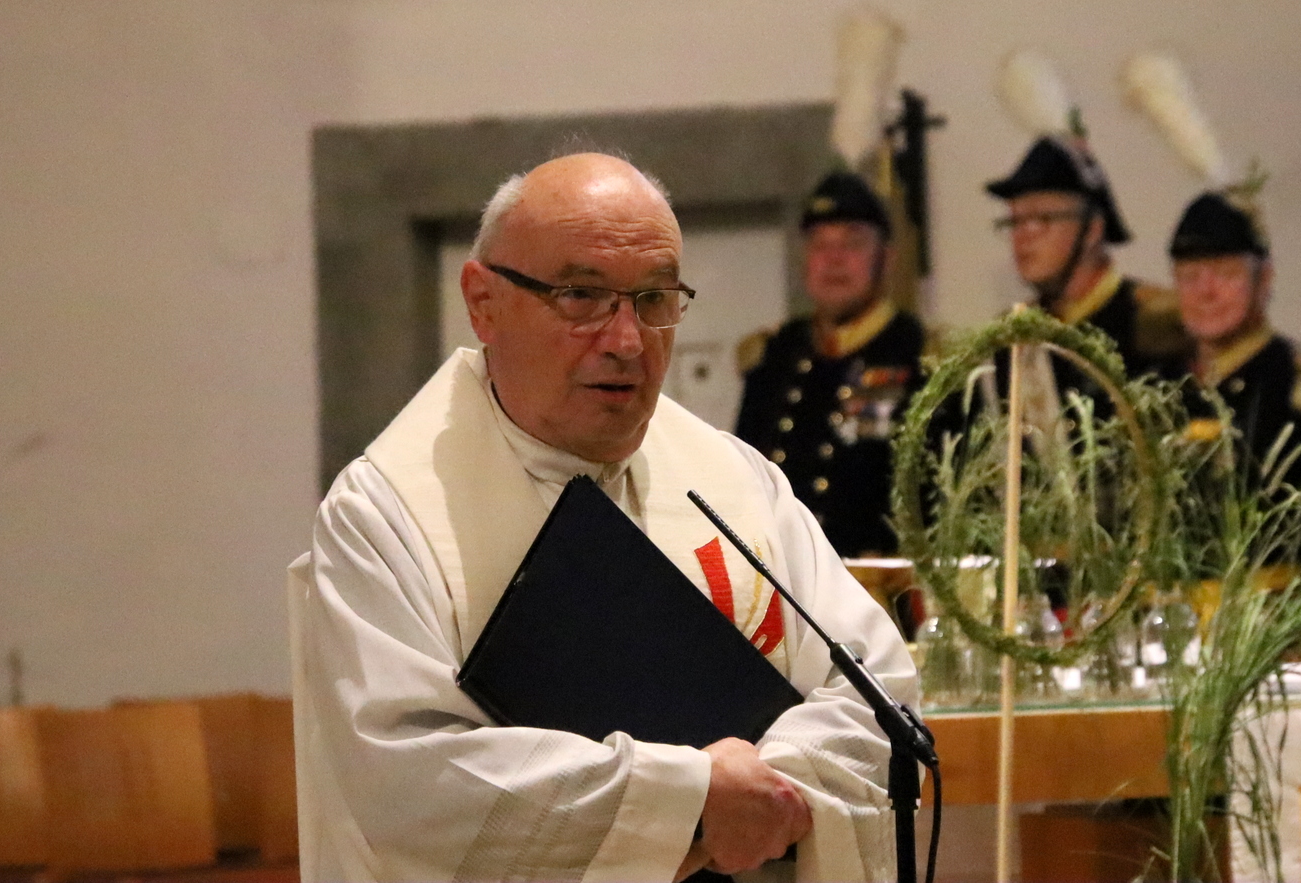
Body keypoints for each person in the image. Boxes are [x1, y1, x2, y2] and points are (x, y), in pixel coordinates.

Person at [288, 153, 918, 883]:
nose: (626, 340)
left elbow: (877, 690)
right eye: (581, 296)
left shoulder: (738, 483)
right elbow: (407, 784)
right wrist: (693, 799)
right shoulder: (384, 516)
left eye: (654, 298)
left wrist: (766, 788)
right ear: (483, 302)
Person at [735, 171, 923, 557]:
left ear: (886, 257)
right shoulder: (775, 354)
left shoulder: (917, 353)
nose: (834, 259)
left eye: (853, 243)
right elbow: (744, 478)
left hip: (881, 582)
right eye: (820, 244)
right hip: (785, 574)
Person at [1163, 192, 1301, 555]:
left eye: (1226, 274)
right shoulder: (1164, 386)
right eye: (1189, 277)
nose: (1206, 292)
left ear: (1264, 278)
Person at [988, 135, 1185, 379]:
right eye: (1014, 221)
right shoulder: (1013, 337)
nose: (1022, 237)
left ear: (1092, 229)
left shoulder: (1154, 326)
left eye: (1042, 219)